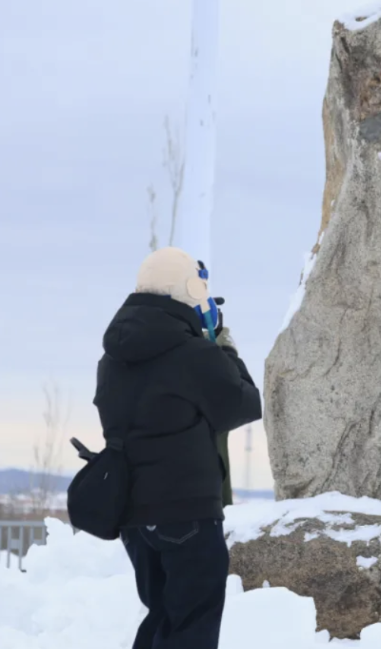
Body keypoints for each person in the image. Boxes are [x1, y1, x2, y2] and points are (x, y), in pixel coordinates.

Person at [93, 246, 262, 649]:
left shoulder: (112, 358)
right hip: (186, 512)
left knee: (162, 617)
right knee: (191, 627)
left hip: (133, 514)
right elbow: (244, 404)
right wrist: (224, 349)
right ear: (191, 290)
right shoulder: (194, 354)